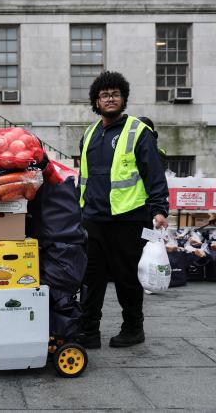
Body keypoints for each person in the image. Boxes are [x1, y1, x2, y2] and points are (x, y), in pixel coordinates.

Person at [77, 71, 169, 349]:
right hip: (93, 218)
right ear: (96, 101)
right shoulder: (89, 134)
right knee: (90, 278)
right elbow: (83, 176)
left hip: (128, 218)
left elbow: (153, 172)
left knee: (126, 277)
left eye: (115, 94)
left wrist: (159, 208)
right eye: (104, 95)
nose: (110, 98)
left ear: (123, 98)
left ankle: (133, 328)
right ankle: (88, 331)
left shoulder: (138, 132)